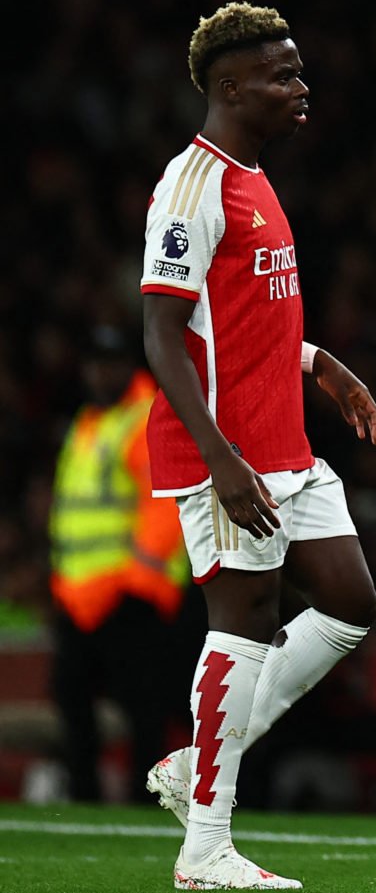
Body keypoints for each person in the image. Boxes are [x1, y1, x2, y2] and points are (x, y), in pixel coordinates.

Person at [138, 2, 376, 891]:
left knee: (351, 604)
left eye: (299, 70)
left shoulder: (255, 175)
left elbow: (239, 320)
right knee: (239, 622)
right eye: (283, 75)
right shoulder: (191, 187)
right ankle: (205, 847)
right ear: (231, 88)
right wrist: (220, 459)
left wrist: (319, 364)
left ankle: (191, 760)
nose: (300, 87)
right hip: (227, 453)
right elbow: (162, 335)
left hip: (282, 436)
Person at [49, 325, 192, 803]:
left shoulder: (143, 415)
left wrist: (139, 582)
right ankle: (86, 798)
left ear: (125, 365)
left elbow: (162, 505)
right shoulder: (88, 423)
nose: (99, 372)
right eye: (93, 362)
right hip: (79, 594)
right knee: (75, 702)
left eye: (108, 362)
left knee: (144, 710)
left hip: (130, 594)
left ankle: (143, 800)